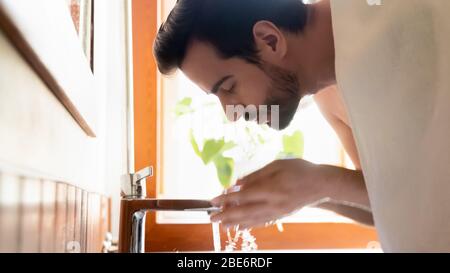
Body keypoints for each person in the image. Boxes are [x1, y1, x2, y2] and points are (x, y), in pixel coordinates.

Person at [153, 0, 450, 252]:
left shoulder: (401, 32)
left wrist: (321, 181)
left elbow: (433, 203)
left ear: (270, 40)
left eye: (228, 88)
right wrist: (301, 193)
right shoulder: (328, 93)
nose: (231, 114)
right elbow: (388, 206)